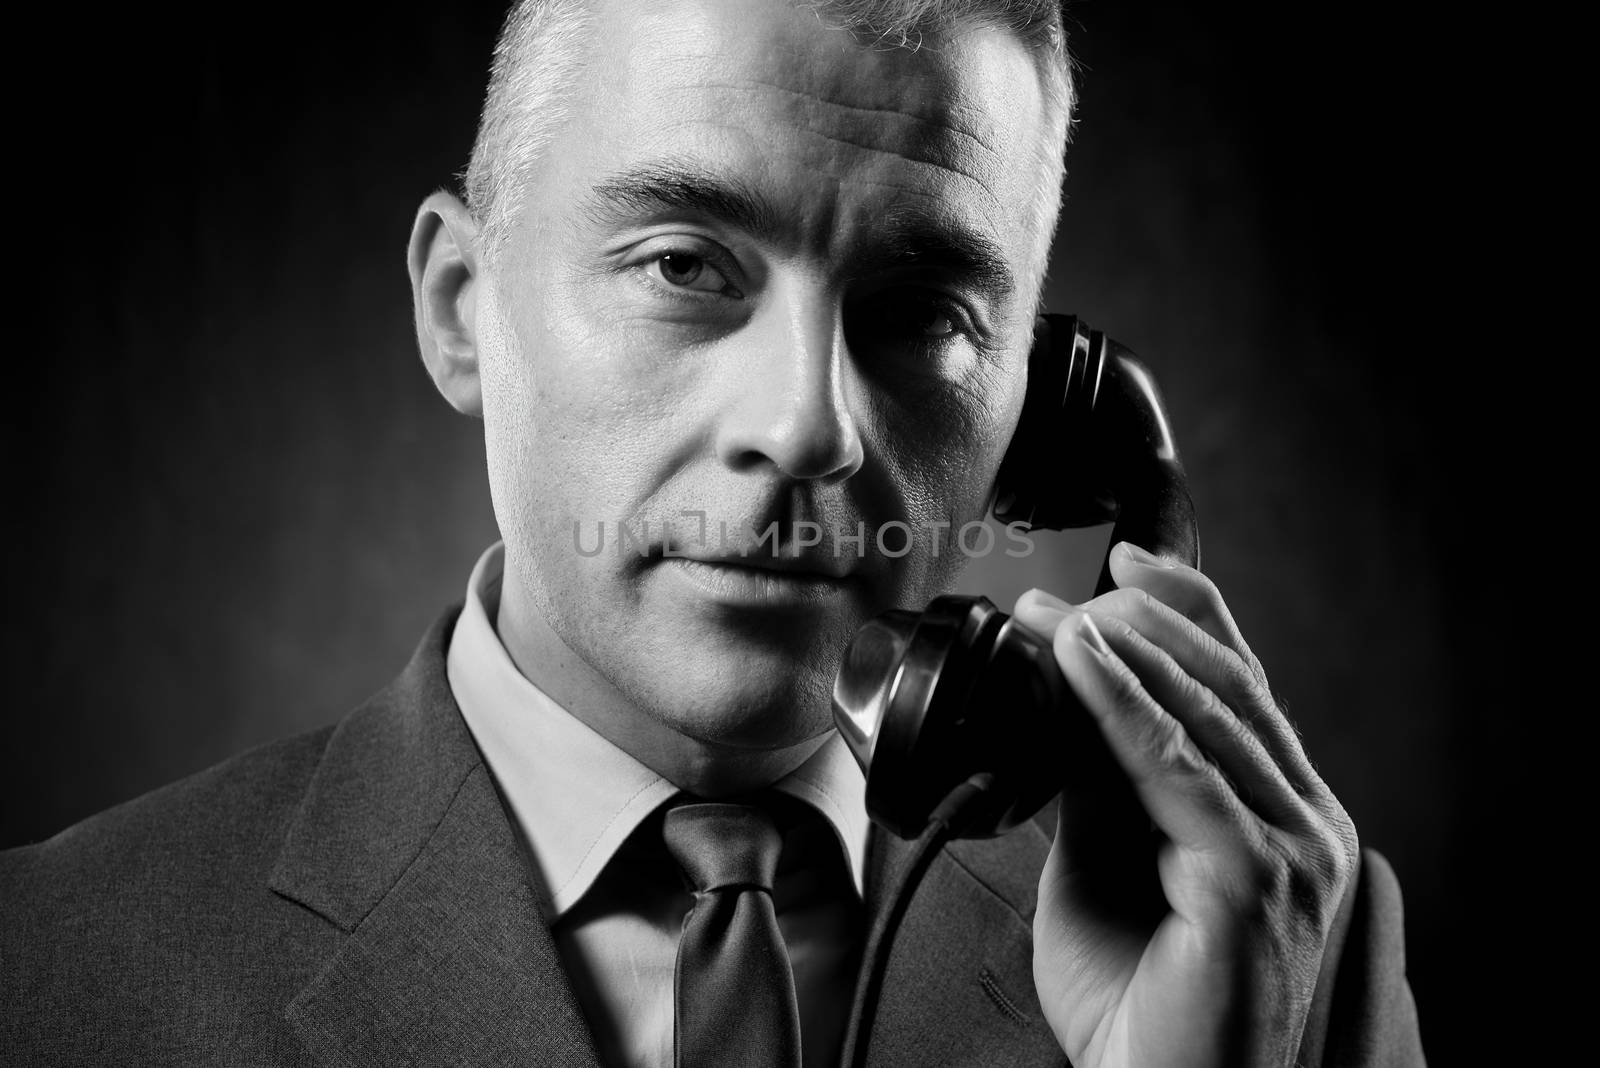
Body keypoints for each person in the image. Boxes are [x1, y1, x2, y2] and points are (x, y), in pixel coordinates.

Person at [1, 1, 1426, 1065]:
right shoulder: (49, 972)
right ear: (459, 309)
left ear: (1046, 413)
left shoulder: (1291, 940)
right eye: (683, 264)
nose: (810, 428)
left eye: (926, 309)